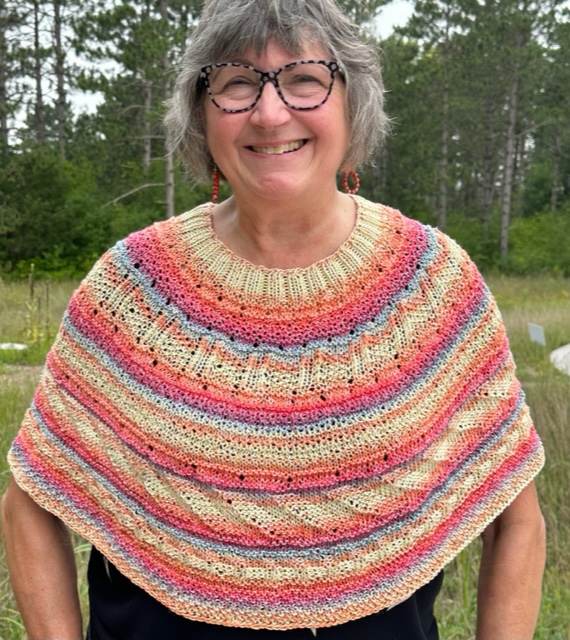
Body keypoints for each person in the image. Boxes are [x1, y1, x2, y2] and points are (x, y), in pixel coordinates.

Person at [1, 0, 546, 639]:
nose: (269, 112)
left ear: (354, 102)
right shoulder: (133, 287)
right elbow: (31, 501)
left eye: (305, 79)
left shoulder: (432, 283)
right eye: (236, 83)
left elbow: (517, 517)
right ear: (201, 113)